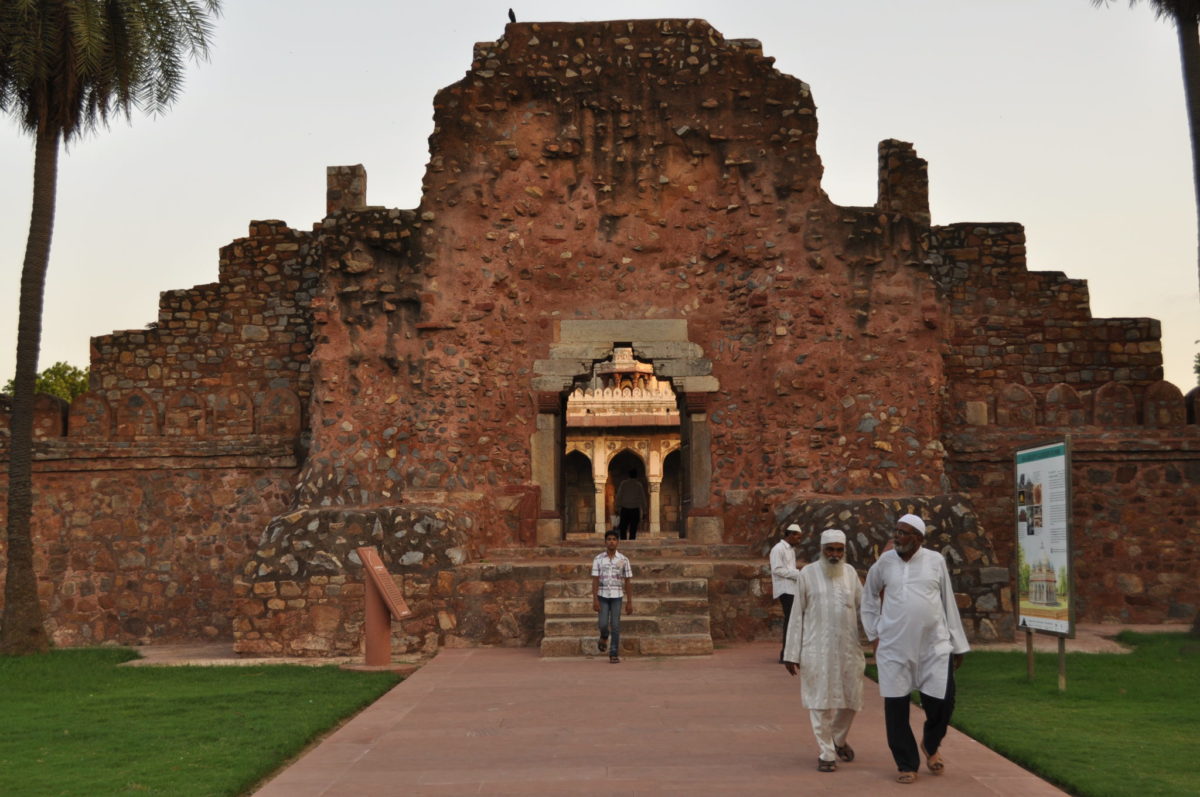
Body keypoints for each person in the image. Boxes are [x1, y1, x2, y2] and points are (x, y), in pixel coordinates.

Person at [861, 513, 970, 784]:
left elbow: (947, 600)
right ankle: (906, 763)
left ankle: (930, 744)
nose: (897, 536)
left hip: (934, 646)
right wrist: (874, 633)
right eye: (896, 531)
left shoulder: (935, 560)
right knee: (896, 707)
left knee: (943, 703)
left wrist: (957, 644)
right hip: (894, 647)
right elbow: (869, 595)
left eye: (903, 532)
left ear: (919, 538)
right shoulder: (885, 562)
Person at [783, 529, 865, 773]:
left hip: (847, 648)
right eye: (830, 549)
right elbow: (796, 615)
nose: (834, 554)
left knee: (852, 699)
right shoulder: (807, 574)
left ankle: (838, 738)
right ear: (822, 550)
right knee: (820, 702)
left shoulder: (850, 573)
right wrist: (791, 653)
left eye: (839, 550)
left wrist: (883, 636)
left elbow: (865, 609)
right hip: (816, 649)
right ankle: (826, 753)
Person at [592, 529, 633, 663]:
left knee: (615, 625)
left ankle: (613, 653)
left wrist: (629, 602)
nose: (611, 542)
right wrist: (595, 599)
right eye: (609, 539)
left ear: (618, 542)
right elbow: (595, 580)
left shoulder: (624, 560)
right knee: (603, 624)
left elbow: (627, 581)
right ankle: (604, 636)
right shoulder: (598, 559)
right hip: (602, 595)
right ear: (605, 542)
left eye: (614, 539)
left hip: (617, 596)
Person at [770, 523, 803, 661]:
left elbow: (789, 568)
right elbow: (777, 569)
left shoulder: (790, 550)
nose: (799, 540)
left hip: (792, 588)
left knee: (792, 621)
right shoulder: (778, 549)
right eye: (798, 537)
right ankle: (785, 654)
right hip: (784, 589)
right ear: (790, 535)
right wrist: (798, 574)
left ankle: (790, 653)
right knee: (790, 621)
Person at [615, 469, 647, 540]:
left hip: (625, 509)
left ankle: (623, 543)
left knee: (623, 529)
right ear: (636, 476)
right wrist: (644, 511)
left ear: (629, 475)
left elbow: (619, 496)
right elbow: (643, 499)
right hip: (635, 510)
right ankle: (631, 543)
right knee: (633, 529)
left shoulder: (624, 484)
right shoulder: (638, 485)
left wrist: (617, 508)